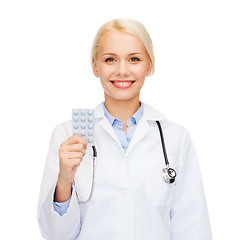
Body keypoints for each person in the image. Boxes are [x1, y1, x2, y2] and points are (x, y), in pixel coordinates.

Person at [37, 18, 212, 240]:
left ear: (149, 66)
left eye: (134, 59)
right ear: (95, 67)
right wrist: (64, 180)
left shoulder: (175, 138)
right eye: (110, 59)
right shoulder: (67, 136)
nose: (122, 70)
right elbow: (55, 234)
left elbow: (194, 228)